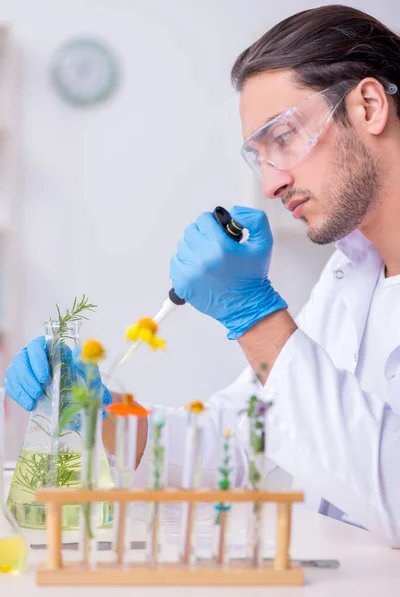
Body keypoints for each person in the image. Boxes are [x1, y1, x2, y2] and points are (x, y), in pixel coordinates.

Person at [5, 5, 400, 546]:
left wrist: (254, 315)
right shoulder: (350, 274)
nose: (271, 184)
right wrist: (102, 418)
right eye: (257, 156)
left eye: (282, 138)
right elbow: (239, 439)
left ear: (369, 106)